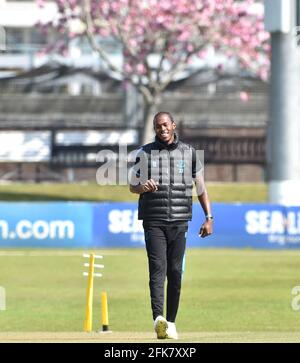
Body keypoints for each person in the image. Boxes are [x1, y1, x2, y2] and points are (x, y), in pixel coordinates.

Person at [129, 111, 213, 340]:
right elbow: (132, 186)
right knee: (157, 270)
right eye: (158, 126)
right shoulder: (144, 153)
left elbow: (201, 186)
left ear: (173, 125)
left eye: (165, 125)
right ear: (155, 129)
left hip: (179, 220)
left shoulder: (189, 153)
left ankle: (172, 322)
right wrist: (142, 187)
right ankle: (159, 319)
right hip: (153, 220)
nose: (162, 129)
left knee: (175, 272)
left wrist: (209, 217)